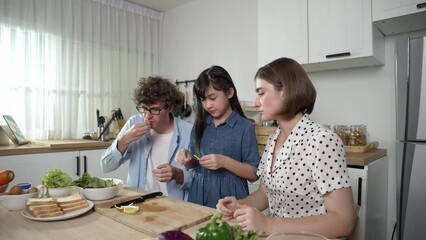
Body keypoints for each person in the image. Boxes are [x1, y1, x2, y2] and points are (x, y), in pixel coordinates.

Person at [216, 58, 356, 238]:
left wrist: (267, 223)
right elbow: (265, 194)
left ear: (286, 90)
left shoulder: (322, 141)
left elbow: (343, 222)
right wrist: (239, 205)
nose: (256, 103)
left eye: (261, 93)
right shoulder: (274, 138)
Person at [175, 65, 260, 208]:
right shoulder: (200, 125)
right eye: (203, 100)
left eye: (212, 98)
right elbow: (195, 163)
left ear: (230, 92)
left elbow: (253, 174)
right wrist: (187, 159)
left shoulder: (245, 127)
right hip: (198, 194)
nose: (208, 105)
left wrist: (224, 162)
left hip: (230, 199)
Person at [101, 76, 193, 200]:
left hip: (175, 207)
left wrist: (178, 175)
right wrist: (124, 140)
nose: (147, 116)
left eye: (154, 110)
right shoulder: (134, 123)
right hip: (138, 204)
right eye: (145, 109)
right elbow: (106, 166)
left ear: (170, 107)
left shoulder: (189, 132)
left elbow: (201, 180)